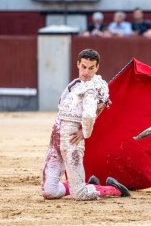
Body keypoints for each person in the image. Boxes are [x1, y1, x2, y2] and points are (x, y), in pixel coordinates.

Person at [41, 49, 130, 200]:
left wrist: (84, 133)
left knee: (80, 195)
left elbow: (90, 115)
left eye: (91, 68)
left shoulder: (94, 87)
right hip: (57, 133)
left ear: (97, 68)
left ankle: (113, 189)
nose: (86, 72)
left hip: (71, 135)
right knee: (49, 191)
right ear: (78, 64)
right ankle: (86, 184)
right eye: (83, 66)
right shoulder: (75, 84)